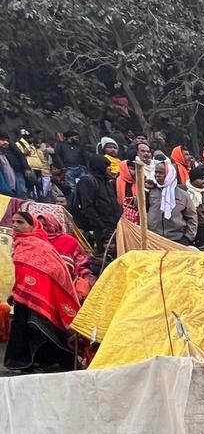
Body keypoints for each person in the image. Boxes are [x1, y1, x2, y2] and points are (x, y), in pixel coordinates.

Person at [4, 211, 81, 373]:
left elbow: (56, 269)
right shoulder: (19, 243)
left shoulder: (39, 244)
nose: (15, 226)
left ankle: (54, 361)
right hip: (23, 294)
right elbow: (20, 271)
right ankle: (26, 363)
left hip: (42, 294)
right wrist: (17, 290)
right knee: (23, 328)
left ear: (32, 226)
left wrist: (38, 285)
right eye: (14, 222)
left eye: (20, 223)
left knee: (42, 327)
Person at [70, 154, 121, 250]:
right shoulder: (87, 181)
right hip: (97, 228)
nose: (110, 168)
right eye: (107, 165)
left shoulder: (106, 182)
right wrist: (102, 226)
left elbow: (113, 203)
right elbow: (88, 207)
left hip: (111, 226)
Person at [145, 155, 197, 244]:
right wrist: (144, 190)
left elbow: (192, 218)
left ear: (169, 174)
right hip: (154, 238)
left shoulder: (183, 195)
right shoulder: (151, 191)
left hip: (176, 239)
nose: (157, 175)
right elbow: (138, 206)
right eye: (156, 172)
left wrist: (187, 238)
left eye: (161, 173)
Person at [54, 132, 87, 196]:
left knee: (85, 185)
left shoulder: (79, 146)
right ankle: (75, 203)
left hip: (80, 168)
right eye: (76, 138)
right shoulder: (61, 145)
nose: (78, 139)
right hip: (68, 169)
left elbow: (84, 157)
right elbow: (57, 156)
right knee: (72, 187)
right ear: (70, 137)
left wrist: (85, 167)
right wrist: (62, 166)